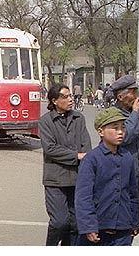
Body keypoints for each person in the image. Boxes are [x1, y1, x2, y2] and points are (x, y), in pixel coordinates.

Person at [75, 107, 139, 246]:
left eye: (123, 127)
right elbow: (84, 196)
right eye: (115, 128)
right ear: (100, 131)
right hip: (98, 227)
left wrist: (135, 221)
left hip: (123, 227)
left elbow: (133, 193)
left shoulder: (127, 157)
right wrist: (88, 226)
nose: (121, 132)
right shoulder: (92, 159)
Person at [39, 84, 92, 246]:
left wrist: (85, 158)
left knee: (75, 224)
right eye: (65, 97)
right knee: (60, 222)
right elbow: (50, 149)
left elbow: (86, 145)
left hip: (77, 179)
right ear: (54, 101)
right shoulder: (46, 121)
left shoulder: (78, 118)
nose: (71, 99)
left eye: (70, 96)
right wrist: (76, 155)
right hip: (55, 180)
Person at [109, 74, 139, 198]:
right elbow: (125, 136)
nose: (136, 96)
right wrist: (135, 112)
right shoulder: (113, 115)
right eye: (133, 92)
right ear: (120, 96)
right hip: (126, 172)